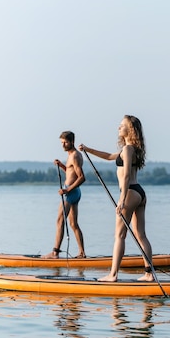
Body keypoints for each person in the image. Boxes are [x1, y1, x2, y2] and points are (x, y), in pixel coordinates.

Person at [79, 115, 153, 282]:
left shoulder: (128, 150)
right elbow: (108, 156)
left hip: (129, 193)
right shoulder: (130, 149)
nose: (119, 128)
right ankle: (149, 274)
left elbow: (126, 175)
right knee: (141, 235)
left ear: (131, 130)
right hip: (139, 193)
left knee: (119, 236)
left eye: (122, 125)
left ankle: (113, 275)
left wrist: (122, 199)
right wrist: (88, 150)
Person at [43, 131, 86, 259]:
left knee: (60, 220)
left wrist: (67, 190)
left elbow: (82, 177)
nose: (63, 145)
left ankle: (55, 252)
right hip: (74, 192)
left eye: (65, 142)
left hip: (71, 192)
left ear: (72, 141)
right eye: (62, 142)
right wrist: (61, 165)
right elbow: (70, 173)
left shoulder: (75, 156)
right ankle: (82, 253)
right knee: (73, 224)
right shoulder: (71, 155)